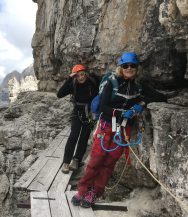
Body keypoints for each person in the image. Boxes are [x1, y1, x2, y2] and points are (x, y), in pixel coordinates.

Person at [71, 52, 167, 207]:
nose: (129, 68)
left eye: (132, 66)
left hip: (123, 129)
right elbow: (103, 107)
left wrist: (141, 104)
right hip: (106, 126)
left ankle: (94, 192)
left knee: (110, 162)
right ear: (121, 67)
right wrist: (123, 112)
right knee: (96, 160)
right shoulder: (113, 83)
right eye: (126, 66)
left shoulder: (138, 86)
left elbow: (160, 97)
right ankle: (82, 190)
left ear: (137, 68)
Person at [57, 64, 98, 174]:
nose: (81, 77)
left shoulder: (92, 83)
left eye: (83, 74)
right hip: (77, 112)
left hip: (89, 113)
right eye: (78, 75)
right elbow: (59, 94)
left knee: (84, 137)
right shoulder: (73, 84)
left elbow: (98, 96)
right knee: (73, 135)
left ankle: (76, 160)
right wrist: (69, 79)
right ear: (75, 76)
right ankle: (66, 162)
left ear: (85, 74)